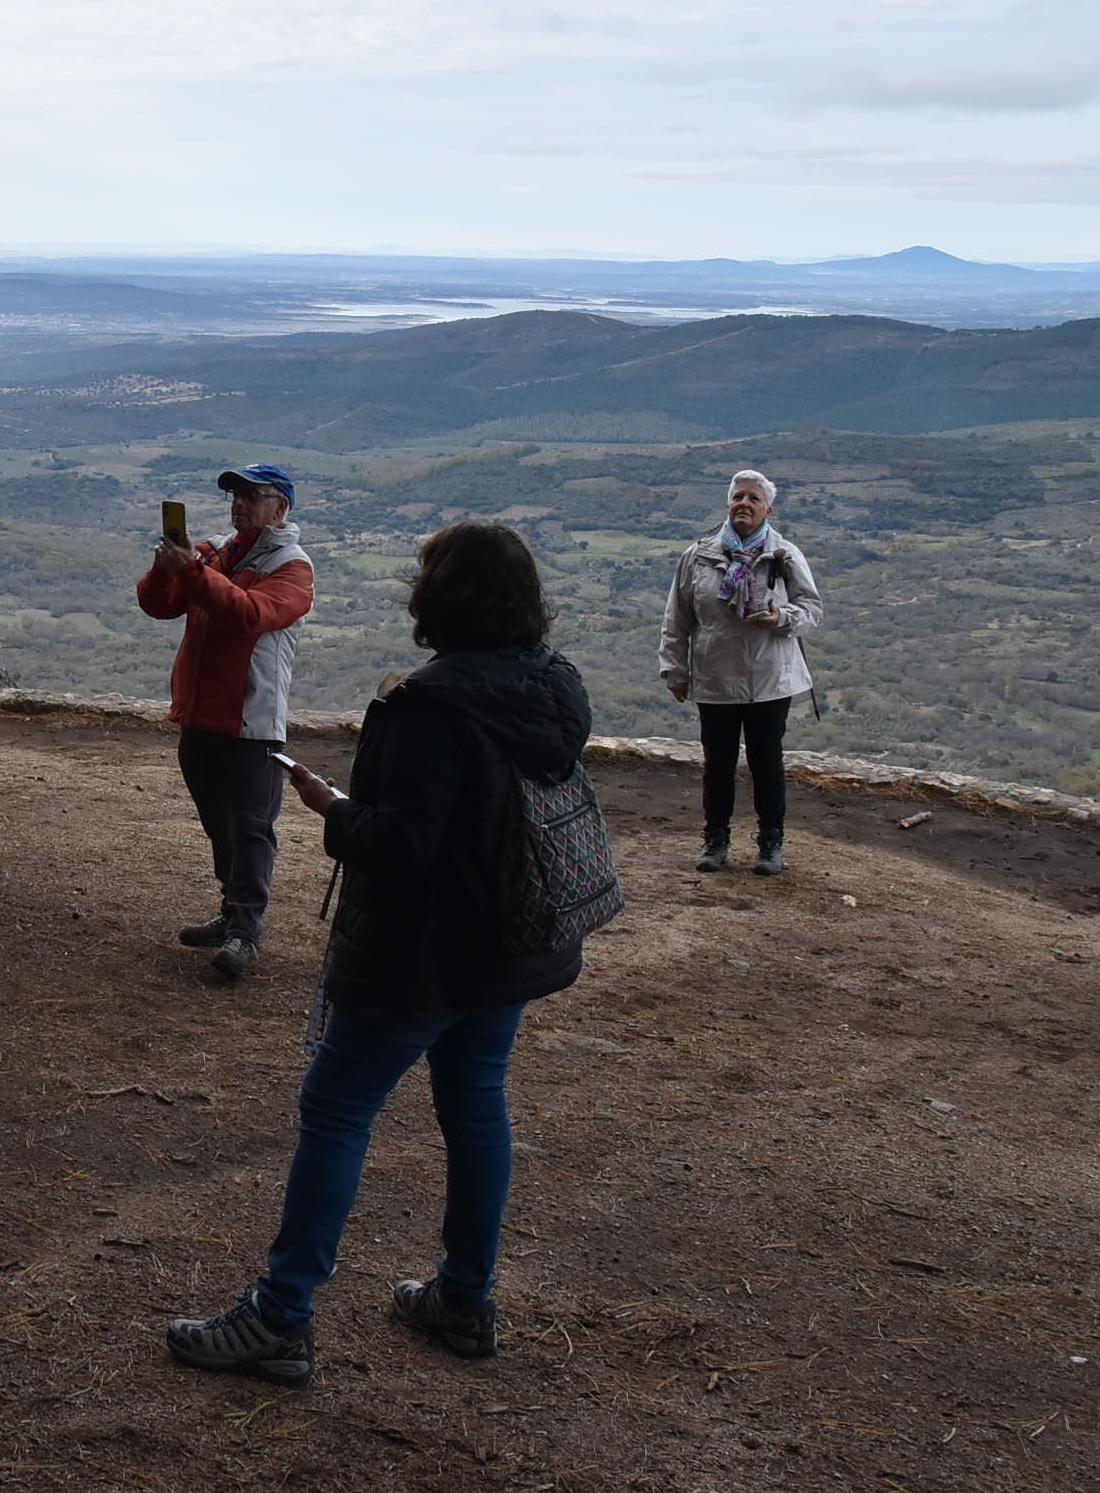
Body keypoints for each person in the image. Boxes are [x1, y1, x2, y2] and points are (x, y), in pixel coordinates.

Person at [167, 523, 594, 1386]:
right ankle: (464, 1298)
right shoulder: (555, 685)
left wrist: (333, 807)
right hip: (509, 937)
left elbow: (403, 846)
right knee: (476, 1107)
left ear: (443, 598)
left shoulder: (430, 706)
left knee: (336, 1108)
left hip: (421, 950)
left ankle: (282, 1317)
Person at [137, 464, 316, 981]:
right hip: (200, 716)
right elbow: (158, 605)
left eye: (251, 496)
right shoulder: (216, 552)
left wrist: (194, 571)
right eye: (235, 495)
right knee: (221, 825)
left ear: (280, 507)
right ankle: (230, 915)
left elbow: (251, 615)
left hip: (252, 721)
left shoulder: (293, 567)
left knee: (251, 828)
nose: (239, 503)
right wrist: (165, 569)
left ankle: (245, 932)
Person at [658, 469, 823, 875]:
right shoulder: (698, 556)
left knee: (767, 763)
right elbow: (677, 618)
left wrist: (781, 617)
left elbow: (812, 610)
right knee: (718, 764)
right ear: (727, 503)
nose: (744, 504)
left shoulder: (784, 555)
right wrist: (674, 670)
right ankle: (716, 841)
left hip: (770, 679)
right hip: (715, 677)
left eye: (753, 498)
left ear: (768, 509)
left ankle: (770, 844)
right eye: (738, 497)